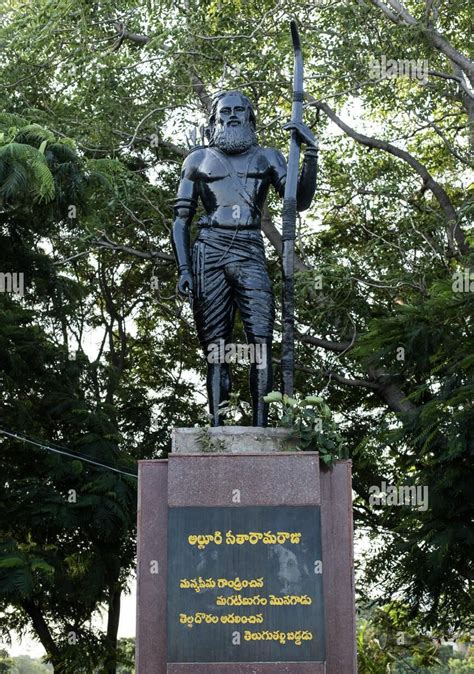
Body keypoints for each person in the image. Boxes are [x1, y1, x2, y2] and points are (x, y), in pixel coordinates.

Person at [172, 90, 318, 426]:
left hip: (250, 250)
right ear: (215, 119)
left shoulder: (268, 157)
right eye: (226, 111)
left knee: (261, 341)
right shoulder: (197, 160)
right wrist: (183, 269)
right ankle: (217, 427)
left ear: (250, 117)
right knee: (215, 347)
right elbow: (181, 220)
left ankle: (262, 426)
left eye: (240, 110)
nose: (233, 116)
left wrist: (310, 153)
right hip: (208, 251)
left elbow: (299, 201)